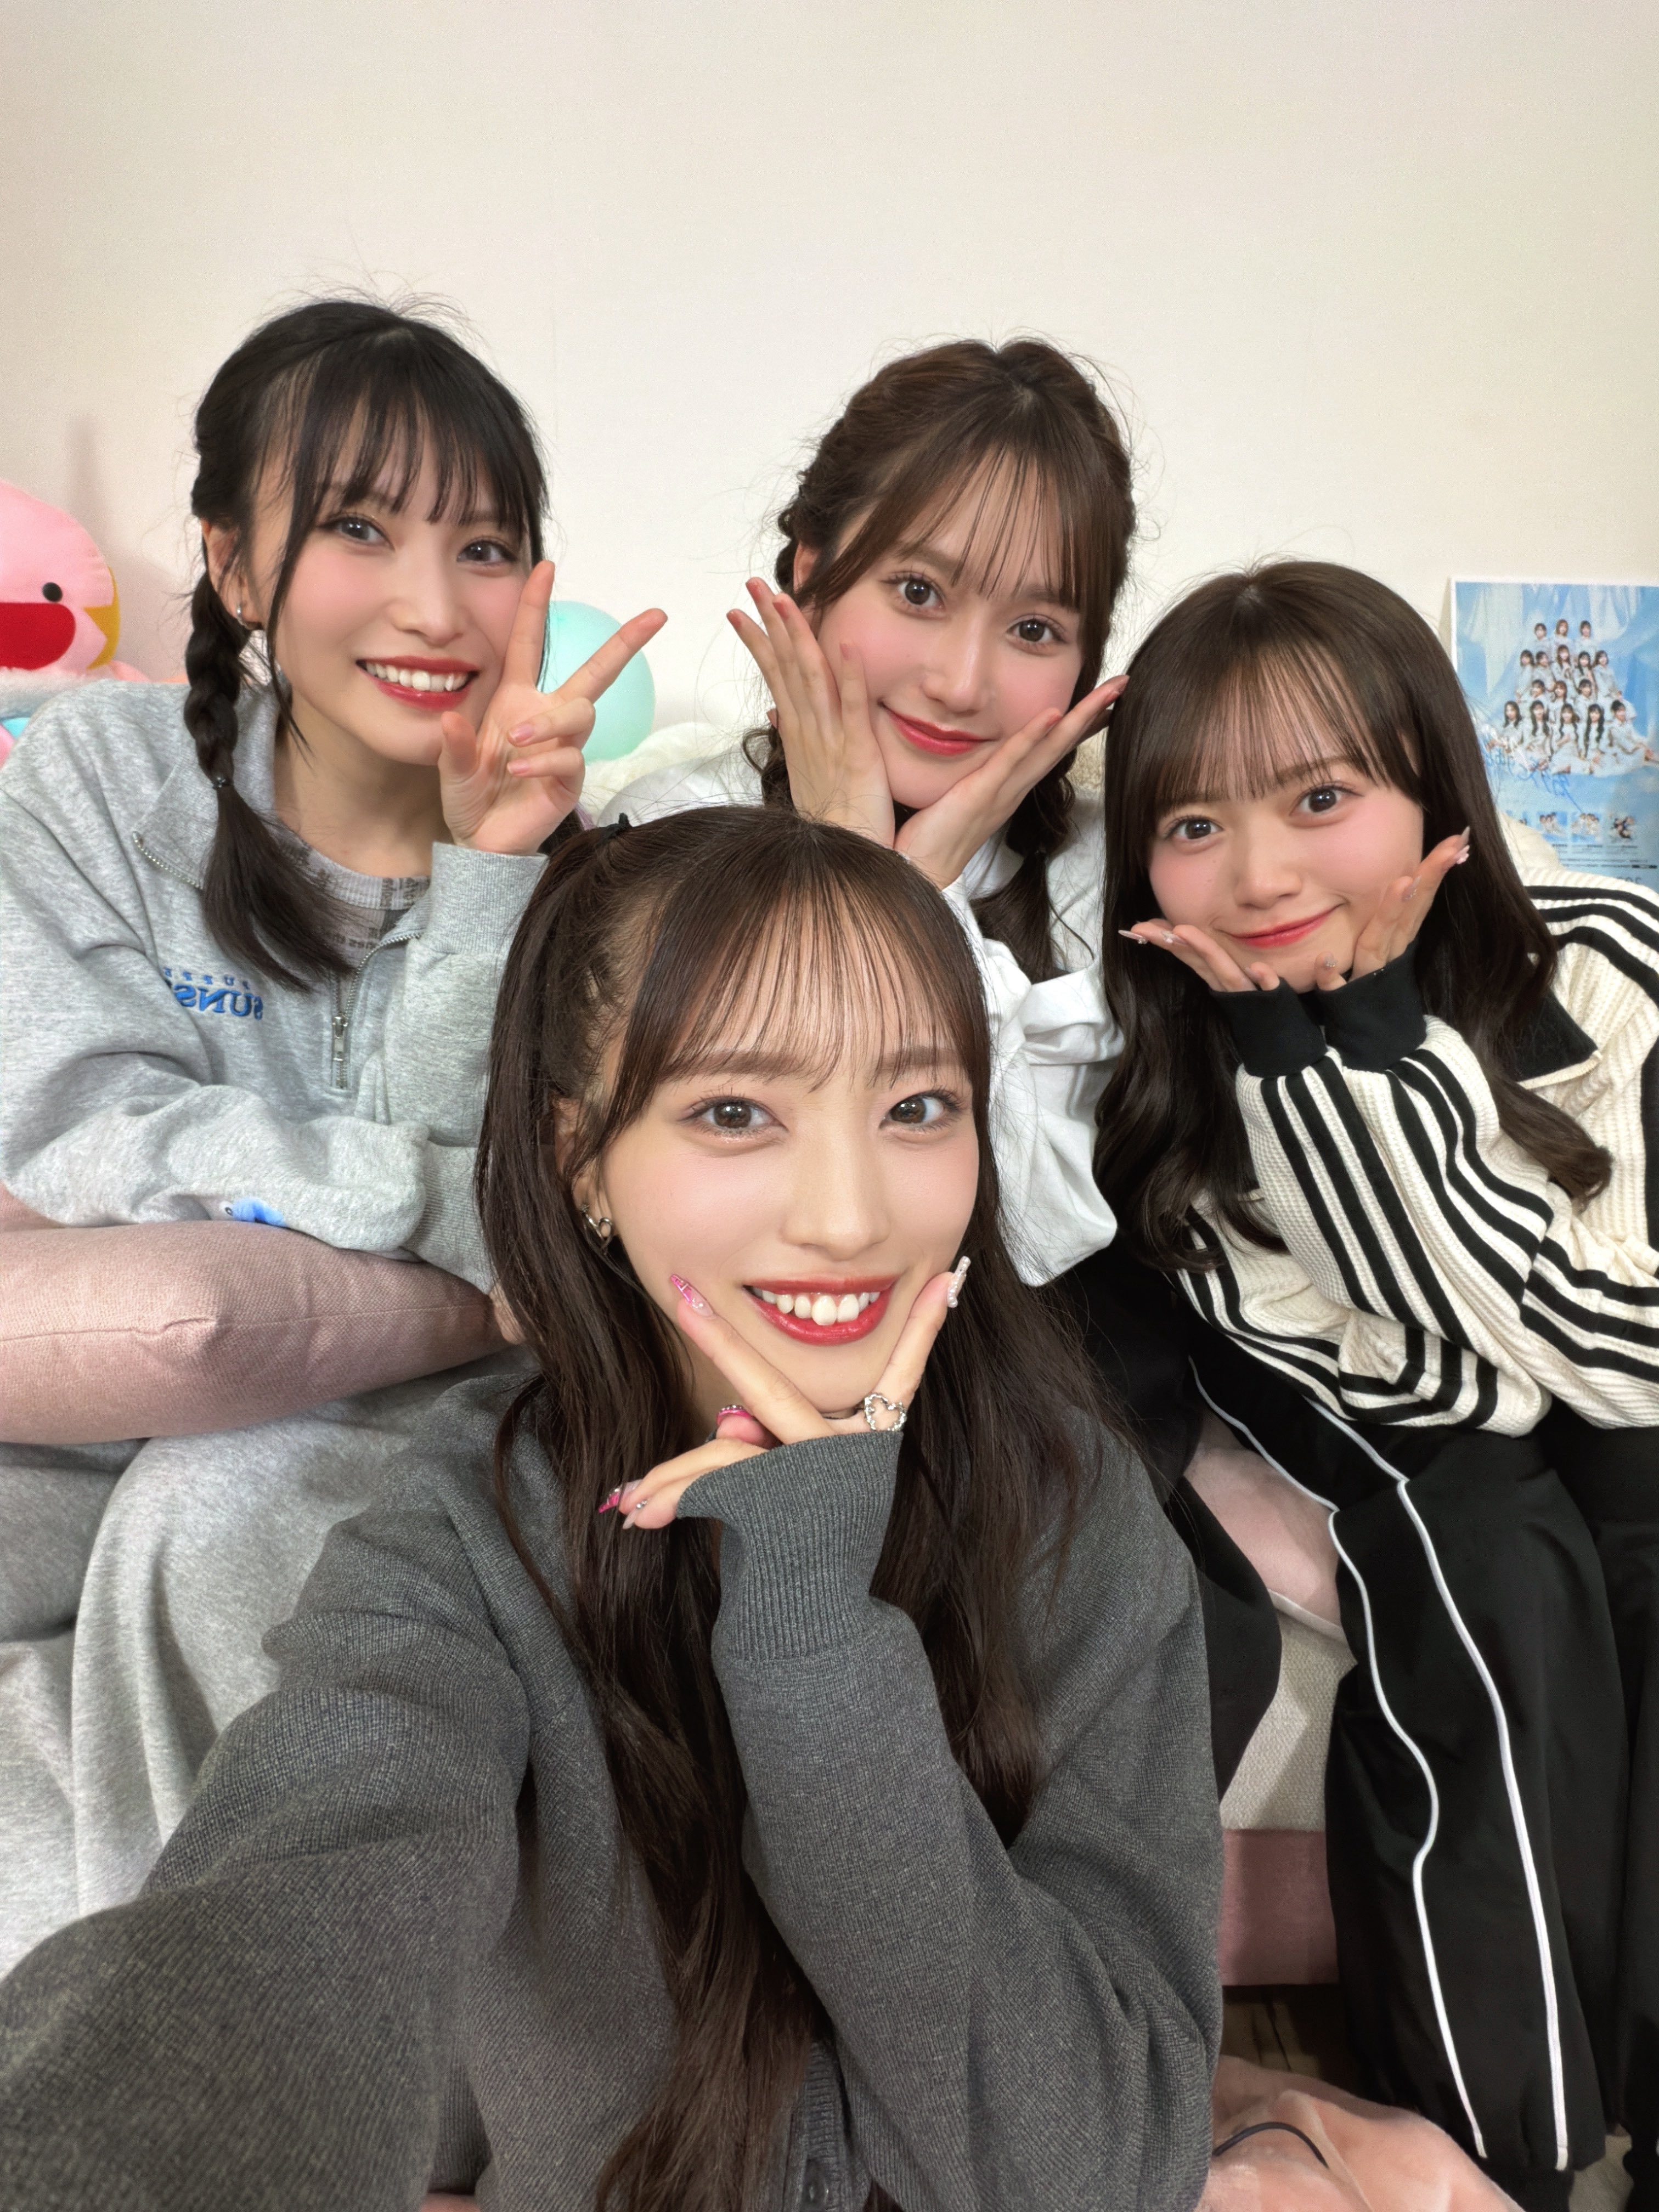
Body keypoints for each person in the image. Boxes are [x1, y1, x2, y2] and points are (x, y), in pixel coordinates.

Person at [0, 805, 1222, 2212]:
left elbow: (1105, 2167)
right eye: (734, 1113)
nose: (848, 1219)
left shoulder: (1073, 1512)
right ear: (582, 1157)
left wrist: (815, 1638)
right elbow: (311, 1892)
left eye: (915, 1109)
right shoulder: (474, 1530)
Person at [0, 298, 663, 1967]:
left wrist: (490, 872)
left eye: (485, 546)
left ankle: (189, 2034)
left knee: (218, 1510)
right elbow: (77, 1125)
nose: (435, 607)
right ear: (233, 564)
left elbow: (534, 1275)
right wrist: (438, 1200)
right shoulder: (96, 775)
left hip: (412, 1425)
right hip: (97, 1423)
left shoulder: (594, 874)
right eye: (360, 528)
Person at [1092, 561, 1659, 2212]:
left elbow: (1629, 1360)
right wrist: (1333, 1043)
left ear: (1433, 787)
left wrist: (1384, 1035)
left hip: (1608, 1404)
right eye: (1193, 823)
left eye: (1322, 798)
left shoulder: (1605, 963)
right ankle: (1499, 2152)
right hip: (1393, 1428)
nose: (1258, 872)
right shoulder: (1168, 1058)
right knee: (1480, 1543)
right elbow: (1452, 1397)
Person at [603, 338, 1133, 1288]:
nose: (961, 683)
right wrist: (866, 878)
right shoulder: (660, 837)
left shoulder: (1100, 879)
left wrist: (911, 896)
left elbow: (1040, 1247)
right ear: (812, 571)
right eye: (918, 592)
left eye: (1034, 629)